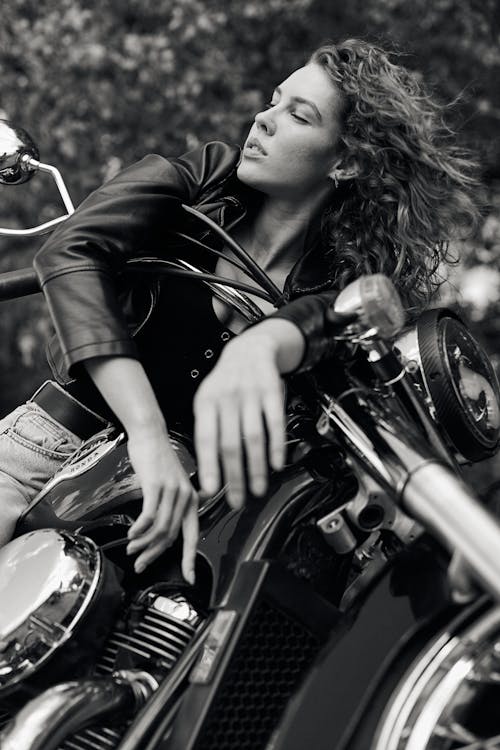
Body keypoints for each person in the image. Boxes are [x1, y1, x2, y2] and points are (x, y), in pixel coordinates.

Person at [0, 39, 479, 584]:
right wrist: (148, 435)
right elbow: (70, 250)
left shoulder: (340, 288)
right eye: (272, 101)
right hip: (41, 453)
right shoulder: (200, 180)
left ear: (346, 162)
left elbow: (330, 343)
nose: (263, 120)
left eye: (297, 115)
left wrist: (260, 345)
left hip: (185, 508)